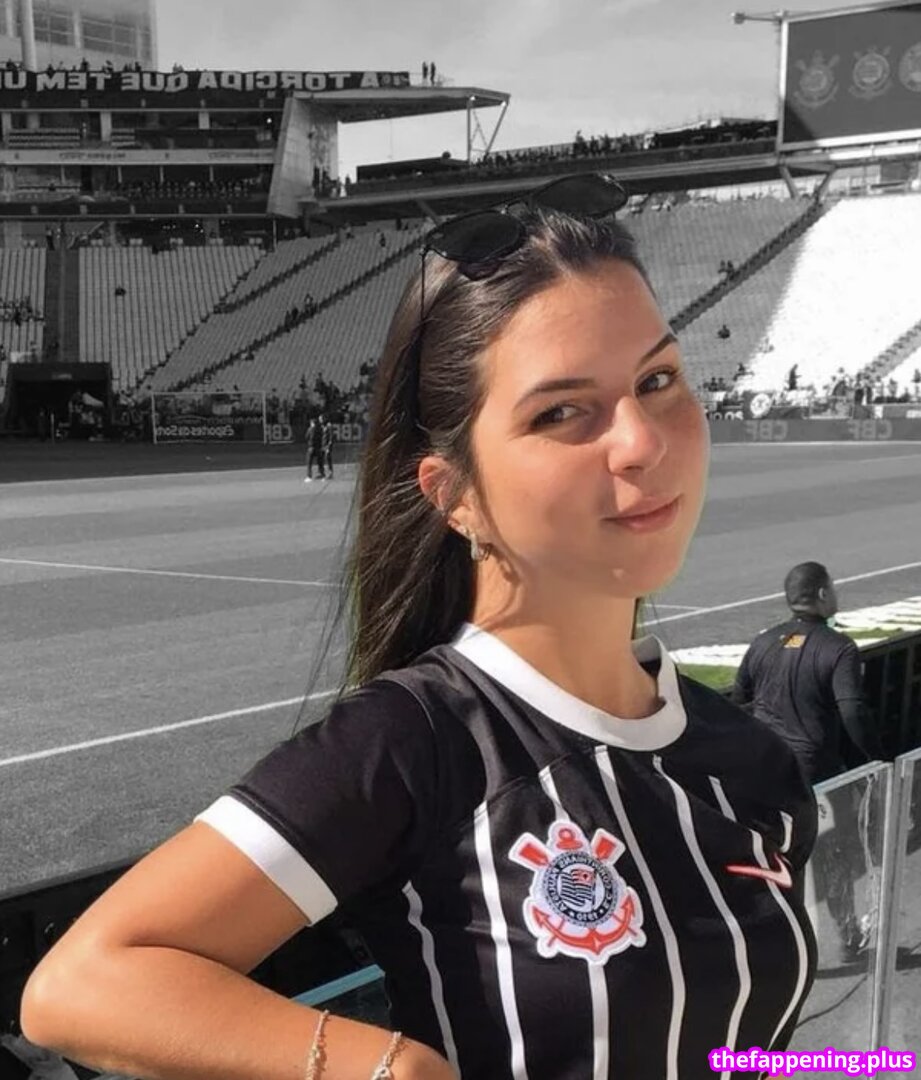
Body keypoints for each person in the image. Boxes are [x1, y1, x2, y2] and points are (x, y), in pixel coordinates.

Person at [20, 173, 818, 1080]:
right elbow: (83, 983)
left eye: (657, 379)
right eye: (560, 412)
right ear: (454, 494)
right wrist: (392, 1069)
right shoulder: (417, 742)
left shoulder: (751, 763)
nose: (642, 440)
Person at [732, 561, 883, 963]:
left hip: (766, 774)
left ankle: (774, 946)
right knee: (834, 856)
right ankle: (848, 938)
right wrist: (873, 760)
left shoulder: (763, 642)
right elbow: (852, 710)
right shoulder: (839, 647)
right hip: (818, 778)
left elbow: (739, 700)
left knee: (774, 861)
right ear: (821, 594)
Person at [303, 414, 325, 482]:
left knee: (309, 463)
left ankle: (309, 476)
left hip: (311, 447)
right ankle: (322, 475)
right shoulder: (320, 429)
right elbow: (322, 437)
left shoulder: (310, 429)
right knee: (320, 462)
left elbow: (306, 437)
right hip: (318, 448)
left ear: (312, 423)